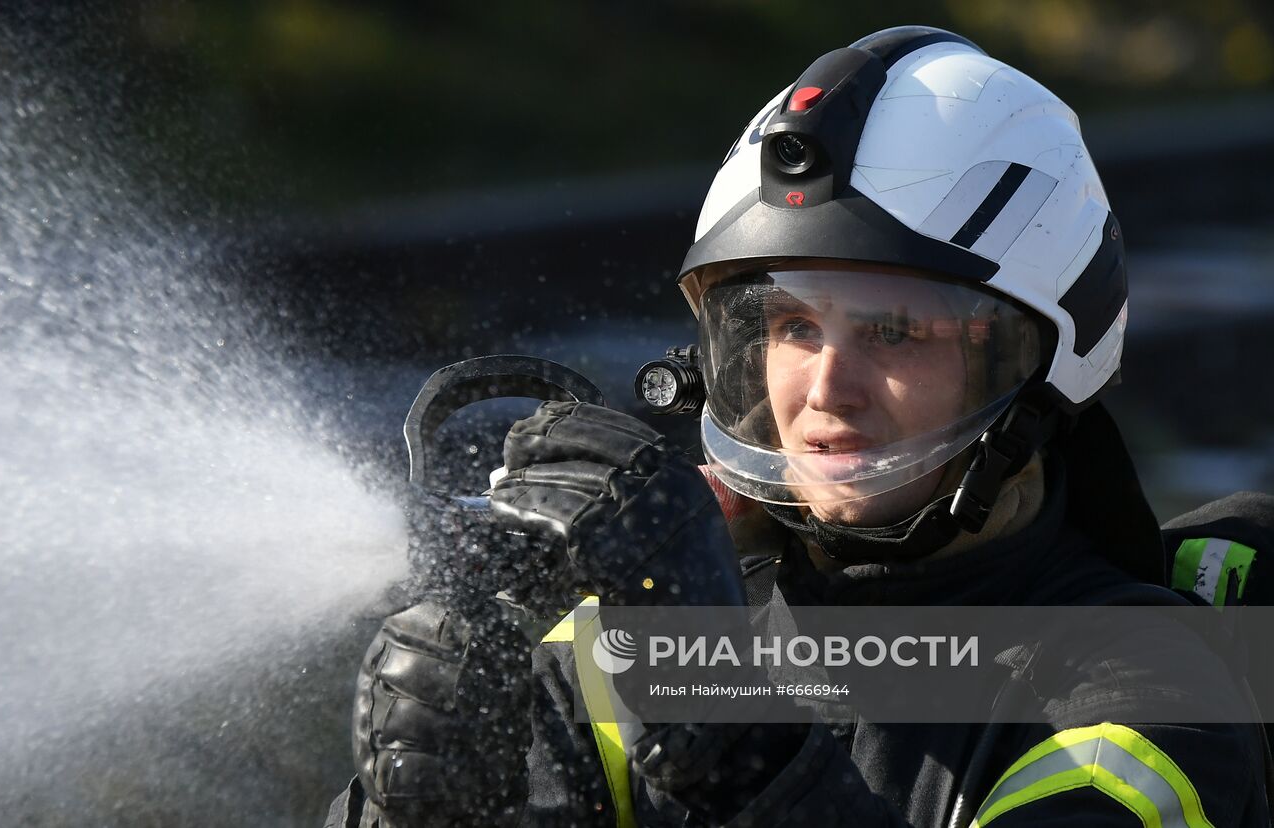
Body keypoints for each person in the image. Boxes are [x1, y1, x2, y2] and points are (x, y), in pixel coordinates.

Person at [331, 26, 1272, 827]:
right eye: (789, 326)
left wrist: (739, 747)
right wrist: (425, 797)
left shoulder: (1152, 693)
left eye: (896, 331)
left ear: (1043, 358)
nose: (826, 388)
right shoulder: (640, 649)